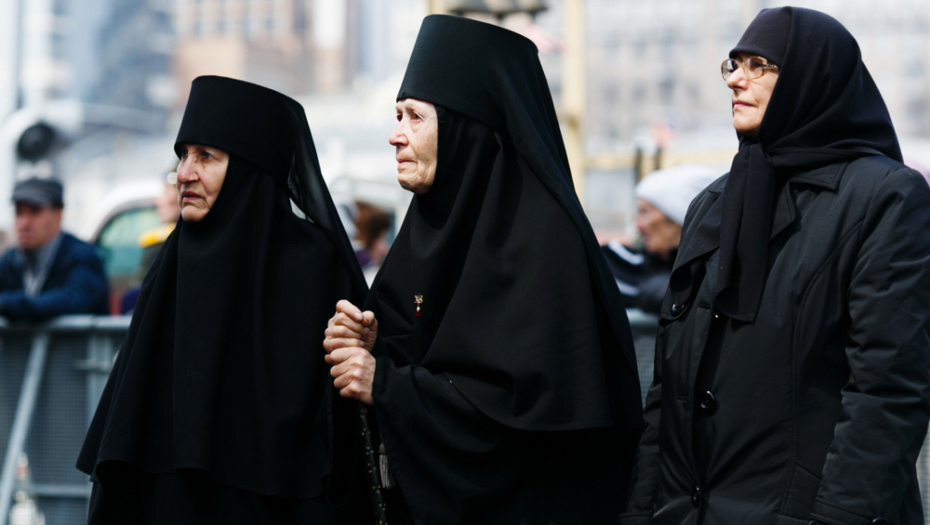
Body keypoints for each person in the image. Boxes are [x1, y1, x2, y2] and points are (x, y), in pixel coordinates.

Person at [324, 15, 644, 524]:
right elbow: (422, 361)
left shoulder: (544, 243)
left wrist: (383, 384)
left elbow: (522, 420)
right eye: (396, 115)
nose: (395, 136)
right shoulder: (427, 230)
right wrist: (368, 345)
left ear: (465, 130)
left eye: (414, 117)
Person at [621, 7, 930, 525]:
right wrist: (639, 512)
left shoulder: (883, 198)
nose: (737, 79)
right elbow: (669, 391)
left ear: (813, 77)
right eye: (733, 64)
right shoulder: (714, 204)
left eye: (760, 64)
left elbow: (887, 391)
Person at [77, 76, 371, 524]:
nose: (183, 173)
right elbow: (129, 425)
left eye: (205, 156)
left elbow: (337, 431)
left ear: (252, 167)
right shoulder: (173, 264)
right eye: (182, 155)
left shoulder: (316, 268)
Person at [602, 164, 718, 313]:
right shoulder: (617, 261)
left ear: (678, 221)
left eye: (645, 212)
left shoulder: (713, 270)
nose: (639, 225)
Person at [0, 177, 109, 321]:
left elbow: (71, 301)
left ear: (58, 215)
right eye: (19, 212)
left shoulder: (84, 258)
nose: (24, 222)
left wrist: (8, 304)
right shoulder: (10, 259)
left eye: (35, 211)